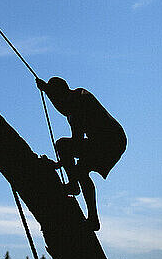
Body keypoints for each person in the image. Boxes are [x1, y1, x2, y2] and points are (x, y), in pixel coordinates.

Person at [36, 76, 127, 231]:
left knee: (78, 166)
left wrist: (58, 165)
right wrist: (46, 90)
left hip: (111, 142)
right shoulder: (75, 99)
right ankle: (75, 188)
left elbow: (77, 141)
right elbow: (62, 106)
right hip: (109, 141)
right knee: (67, 151)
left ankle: (90, 214)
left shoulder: (78, 104)